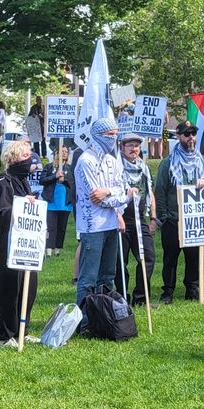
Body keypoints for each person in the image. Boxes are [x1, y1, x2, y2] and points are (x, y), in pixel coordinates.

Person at [0, 140, 39, 347]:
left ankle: (22, 331)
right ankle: (5, 335)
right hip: (5, 246)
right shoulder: (3, 183)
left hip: (25, 245)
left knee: (28, 288)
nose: (30, 159)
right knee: (9, 290)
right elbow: (1, 214)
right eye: (26, 156)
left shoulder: (22, 182)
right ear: (14, 159)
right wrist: (23, 205)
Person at [74, 118, 128, 309]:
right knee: (88, 277)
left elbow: (121, 189)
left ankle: (105, 314)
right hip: (93, 225)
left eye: (116, 134)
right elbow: (98, 199)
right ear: (97, 136)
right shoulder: (85, 161)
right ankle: (83, 319)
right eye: (109, 135)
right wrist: (119, 196)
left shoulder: (112, 161)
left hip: (112, 224)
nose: (113, 138)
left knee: (108, 276)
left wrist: (109, 191)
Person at [155, 120, 204, 303]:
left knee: (193, 257)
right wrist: (163, 218)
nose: (191, 138)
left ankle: (192, 289)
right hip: (173, 219)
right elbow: (160, 192)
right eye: (187, 134)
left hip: (195, 220)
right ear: (178, 137)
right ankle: (168, 291)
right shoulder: (167, 164)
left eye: (193, 133)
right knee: (170, 258)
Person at [116, 131, 156, 307]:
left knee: (148, 257)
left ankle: (141, 297)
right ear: (122, 147)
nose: (134, 149)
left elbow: (150, 192)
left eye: (137, 145)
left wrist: (153, 217)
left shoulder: (144, 168)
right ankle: (122, 297)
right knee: (119, 261)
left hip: (140, 219)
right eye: (130, 145)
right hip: (122, 218)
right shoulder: (116, 167)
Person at [41, 146, 73, 256]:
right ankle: (48, 249)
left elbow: (73, 184)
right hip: (51, 202)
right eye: (62, 151)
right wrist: (55, 176)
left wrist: (64, 180)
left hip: (65, 203)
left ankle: (58, 249)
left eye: (66, 152)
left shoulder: (70, 168)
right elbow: (42, 180)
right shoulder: (49, 167)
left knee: (61, 227)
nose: (64, 153)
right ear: (56, 153)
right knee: (50, 227)